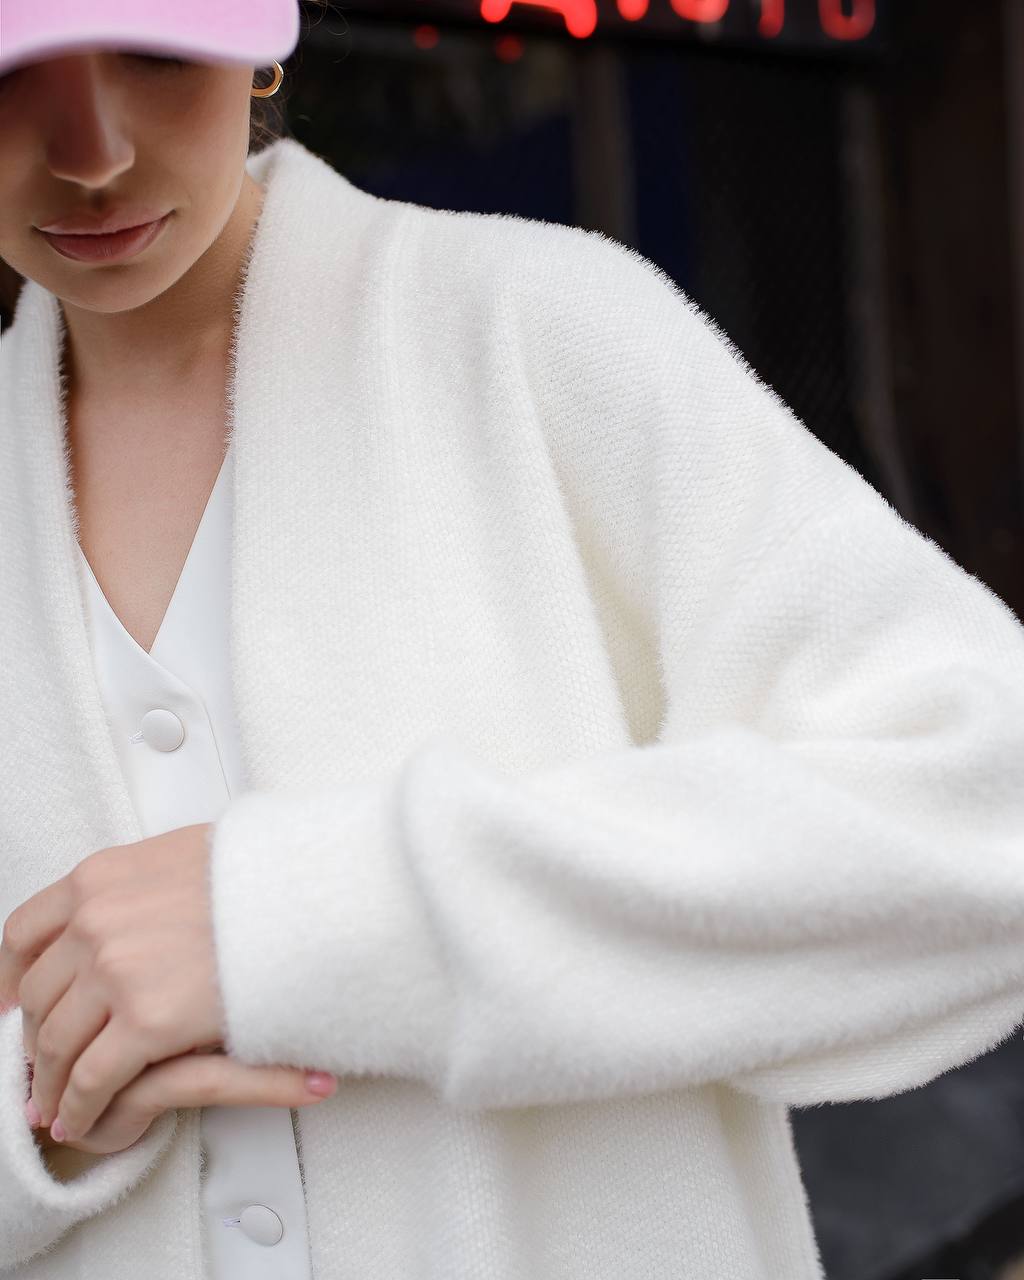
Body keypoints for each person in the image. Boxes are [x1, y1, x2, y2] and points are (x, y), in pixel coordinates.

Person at [1, 1, 1023, 1277]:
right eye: (10, 75)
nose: (88, 149)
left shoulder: (536, 336)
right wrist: (36, 1108)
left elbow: (986, 811)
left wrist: (309, 921)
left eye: (153, 48)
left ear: (263, 36)